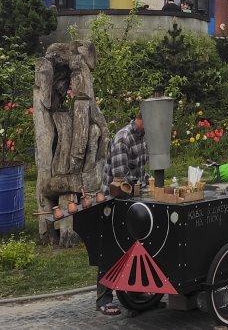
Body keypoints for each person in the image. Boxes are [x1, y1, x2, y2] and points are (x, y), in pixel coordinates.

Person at [97, 114, 148, 316]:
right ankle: (103, 298)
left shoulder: (143, 138)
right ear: (141, 119)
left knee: (136, 246)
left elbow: (142, 173)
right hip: (115, 202)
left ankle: (135, 294)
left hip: (134, 200)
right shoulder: (123, 139)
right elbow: (121, 180)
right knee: (110, 249)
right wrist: (141, 189)